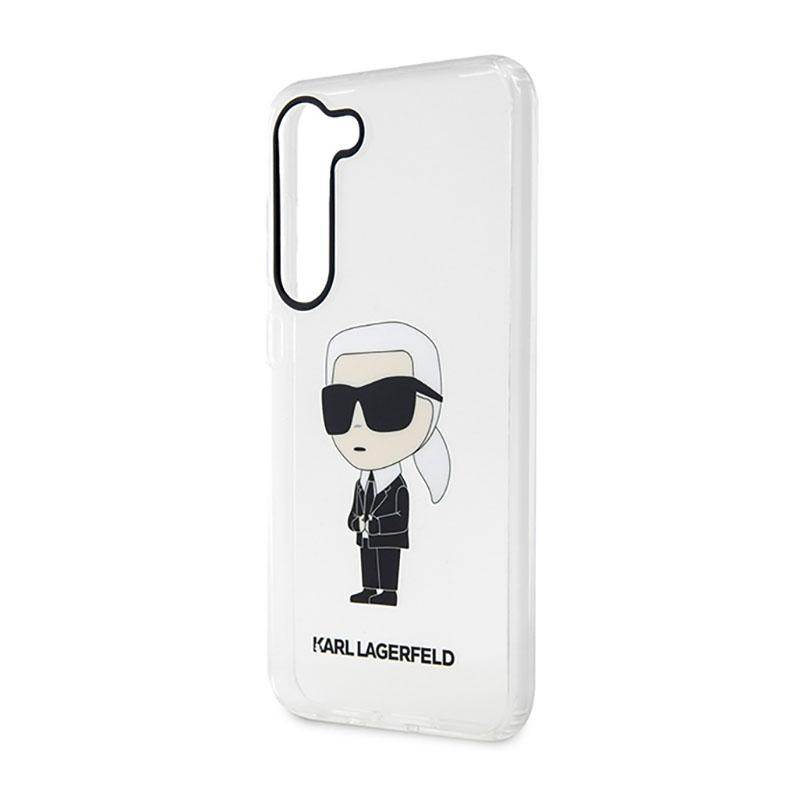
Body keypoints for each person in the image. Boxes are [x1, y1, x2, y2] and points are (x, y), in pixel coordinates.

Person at [322, 321, 451, 606]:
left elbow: (399, 516)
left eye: (388, 404)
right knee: (367, 561)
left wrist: (376, 524)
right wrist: (355, 521)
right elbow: (355, 508)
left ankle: (388, 592)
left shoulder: (397, 486)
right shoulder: (362, 483)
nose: (358, 424)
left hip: (386, 537)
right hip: (366, 536)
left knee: (388, 563)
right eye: (339, 405)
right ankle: (369, 588)